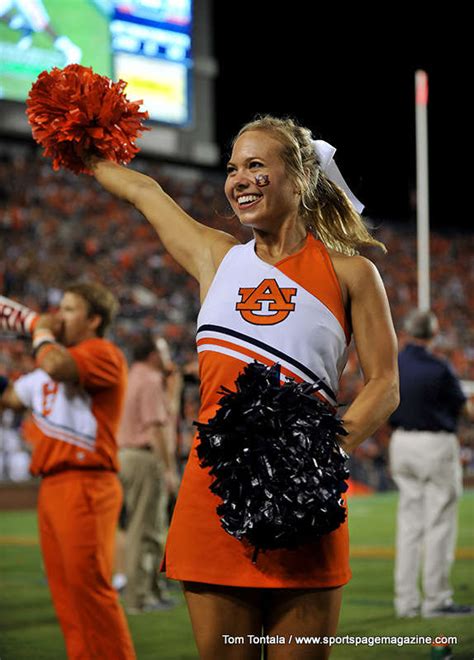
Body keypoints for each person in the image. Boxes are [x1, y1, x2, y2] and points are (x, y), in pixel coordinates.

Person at [85, 115, 400, 659]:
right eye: (233, 168)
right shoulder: (217, 257)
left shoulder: (351, 274)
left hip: (303, 497)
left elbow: (385, 384)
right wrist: (76, 141)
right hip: (213, 494)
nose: (239, 179)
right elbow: (143, 189)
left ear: (299, 177)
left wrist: (317, 456)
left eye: (257, 165)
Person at [0, 282, 136, 660]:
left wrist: (37, 327)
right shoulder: (47, 370)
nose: (59, 316)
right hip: (52, 487)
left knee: (90, 592)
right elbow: (8, 397)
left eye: (70, 310)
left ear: (94, 320)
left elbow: (57, 366)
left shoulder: (102, 353)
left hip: (86, 484)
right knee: (67, 598)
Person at [389, 309, 473, 619]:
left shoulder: (394, 362)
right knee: (438, 523)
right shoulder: (439, 367)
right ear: (433, 334)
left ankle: (406, 602)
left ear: (409, 332)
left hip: (402, 443)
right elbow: (464, 411)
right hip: (435, 445)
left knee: (409, 524)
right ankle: (436, 599)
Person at [117, 333, 178, 613]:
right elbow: (156, 428)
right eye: (163, 350)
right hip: (143, 458)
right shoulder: (151, 380)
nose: (167, 356)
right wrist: (168, 469)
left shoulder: (133, 375)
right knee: (145, 529)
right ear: (153, 354)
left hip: (126, 455)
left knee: (147, 527)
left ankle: (152, 592)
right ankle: (139, 598)